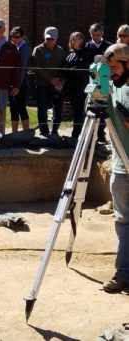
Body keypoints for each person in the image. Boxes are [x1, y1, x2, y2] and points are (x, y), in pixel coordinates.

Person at [102, 43, 129, 293]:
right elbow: (99, 98)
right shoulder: (111, 86)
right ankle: (123, 273)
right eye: (107, 68)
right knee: (123, 222)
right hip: (121, 168)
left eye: (114, 68)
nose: (111, 72)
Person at [33, 26, 66, 136]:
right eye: (47, 39)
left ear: (56, 39)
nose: (49, 41)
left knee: (58, 108)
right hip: (42, 85)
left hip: (57, 85)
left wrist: (60, 79)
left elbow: (64, 67)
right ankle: (44, 131)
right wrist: (50, 79)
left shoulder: (61, 51)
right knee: (42, 108)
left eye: (52, 39)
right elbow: (37, 68)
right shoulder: (38, 50)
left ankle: (55, 131)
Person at [87, 23, 113, 142]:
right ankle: (90, 135)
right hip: (92, 82)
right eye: (93, 35)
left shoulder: (108, 46)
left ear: (102, 34)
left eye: (98, 35)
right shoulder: (87, 46)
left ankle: (101, 134)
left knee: (103, 108)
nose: (96, 37)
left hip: (105, 81)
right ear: (90, 33)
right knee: (91, 109)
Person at [63, 32, 91, 140]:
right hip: (72, 89)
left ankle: (77, 136)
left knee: (80, 113)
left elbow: (78, 71)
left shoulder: (86, 54)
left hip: (82, 89)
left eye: (75, 39)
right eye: (71, 40)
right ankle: (76, 135)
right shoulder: (71, 55)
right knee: (76, 113)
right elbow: (64, 69)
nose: (72, 42)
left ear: (81, 40)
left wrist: (68, 70)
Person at [8, 26, 31, 132]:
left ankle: (26, 133)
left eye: (17, 37)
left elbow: (23, 69)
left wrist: (17, 86)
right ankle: (14, 133)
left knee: (21, 108)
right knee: (13, 109)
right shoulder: (12, 47)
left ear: (22, 37)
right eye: (12, 36)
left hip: (21, 84)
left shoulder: (24, 48)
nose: (15, 39)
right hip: (12, 84)